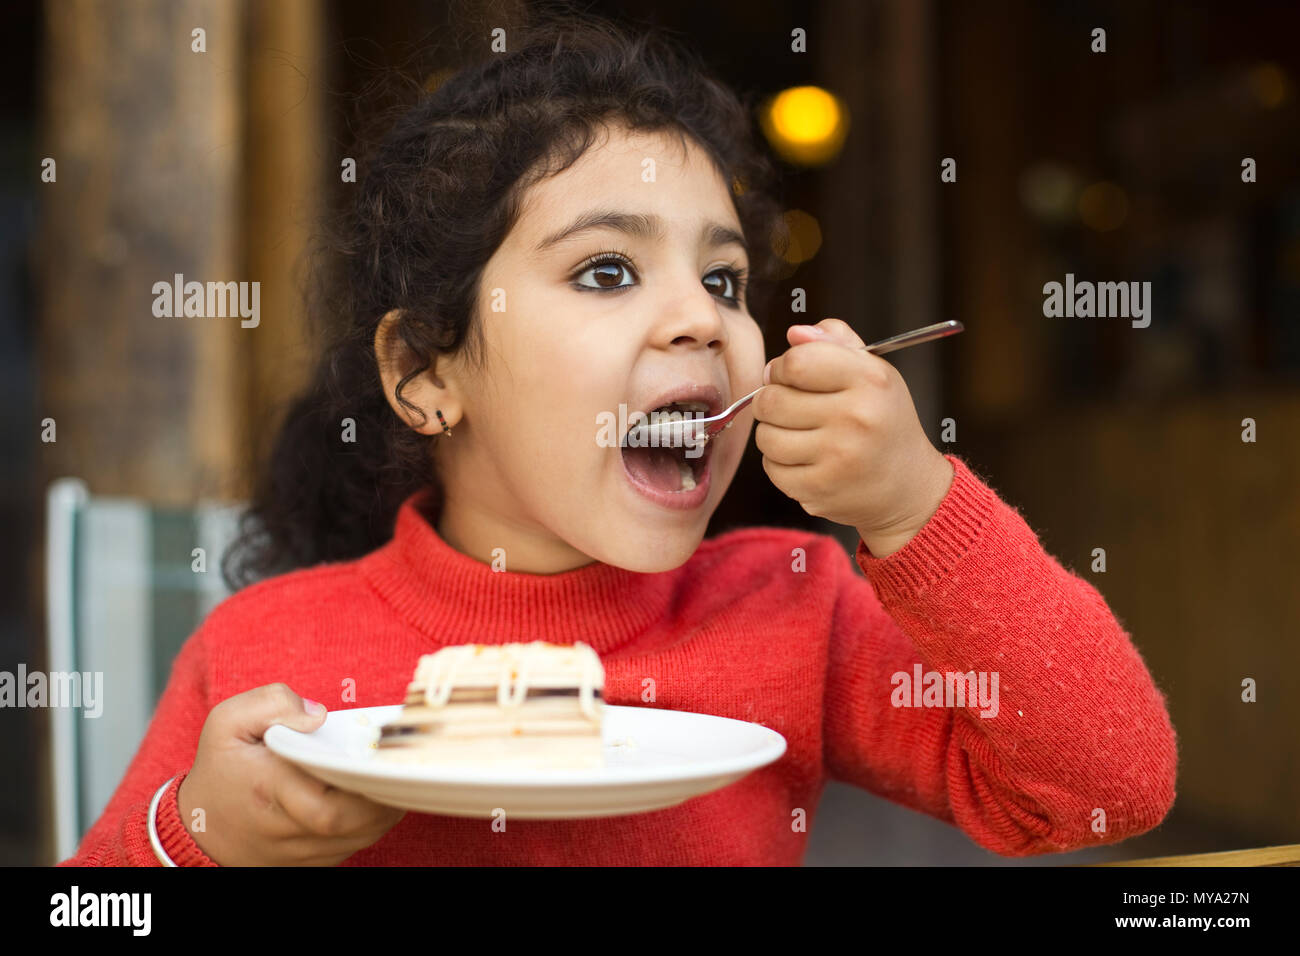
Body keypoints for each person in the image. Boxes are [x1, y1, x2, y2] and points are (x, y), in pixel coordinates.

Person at [60, 12, 1176, 866]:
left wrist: (915, 506)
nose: (703, 316)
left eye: (725, 277)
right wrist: (194, 831)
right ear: (425, 373)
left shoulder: (791, 604)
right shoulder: (270, 648)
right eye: (606, 269)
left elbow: (1107, 783)